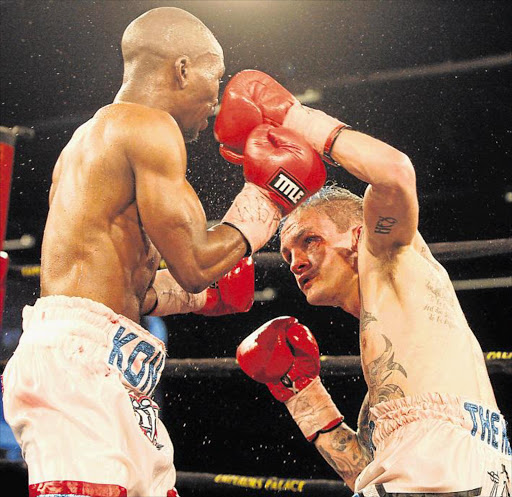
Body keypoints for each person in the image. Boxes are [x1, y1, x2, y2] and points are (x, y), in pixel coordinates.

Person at [1, 9, 327, 497]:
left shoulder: (88, 140)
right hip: (77, 368)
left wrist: (199, 300)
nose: (216, 102)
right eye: (213, 80)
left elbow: (125, 282)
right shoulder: (149, 127)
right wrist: (268, 200)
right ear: (180, 69)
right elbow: (197, 264)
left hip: (108, 366)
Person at [217, 70, 512, 495]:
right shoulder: (389, 390)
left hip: (448, 467)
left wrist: (294, 117)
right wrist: (303, 394)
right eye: (287, 255)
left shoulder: (390, 252)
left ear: (359, 235)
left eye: (309, 241)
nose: (296, 262)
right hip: (465, 473)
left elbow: (393, 172)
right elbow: (365, 473)